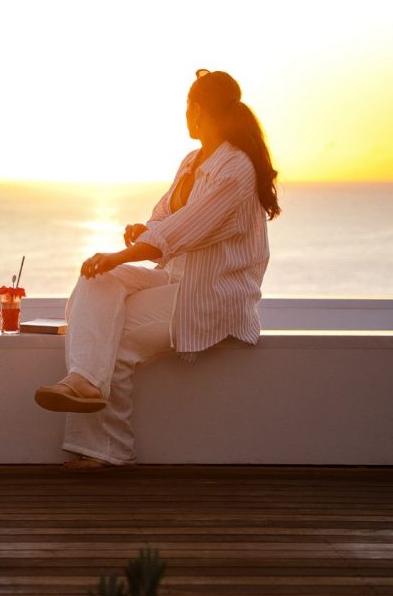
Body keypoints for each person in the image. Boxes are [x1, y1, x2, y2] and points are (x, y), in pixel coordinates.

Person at [34, 69, 280, 470]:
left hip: (213, 295)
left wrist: (122, 253)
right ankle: (86, 383)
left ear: (199, 110)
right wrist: (143, 231)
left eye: (188, 107)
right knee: (98, 279)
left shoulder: (235, 169)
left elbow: (187, 228)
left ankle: (106, 445)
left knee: (111, 331)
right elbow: (165, 218)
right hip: (174, 280)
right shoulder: (192, 162)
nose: (186, 115)